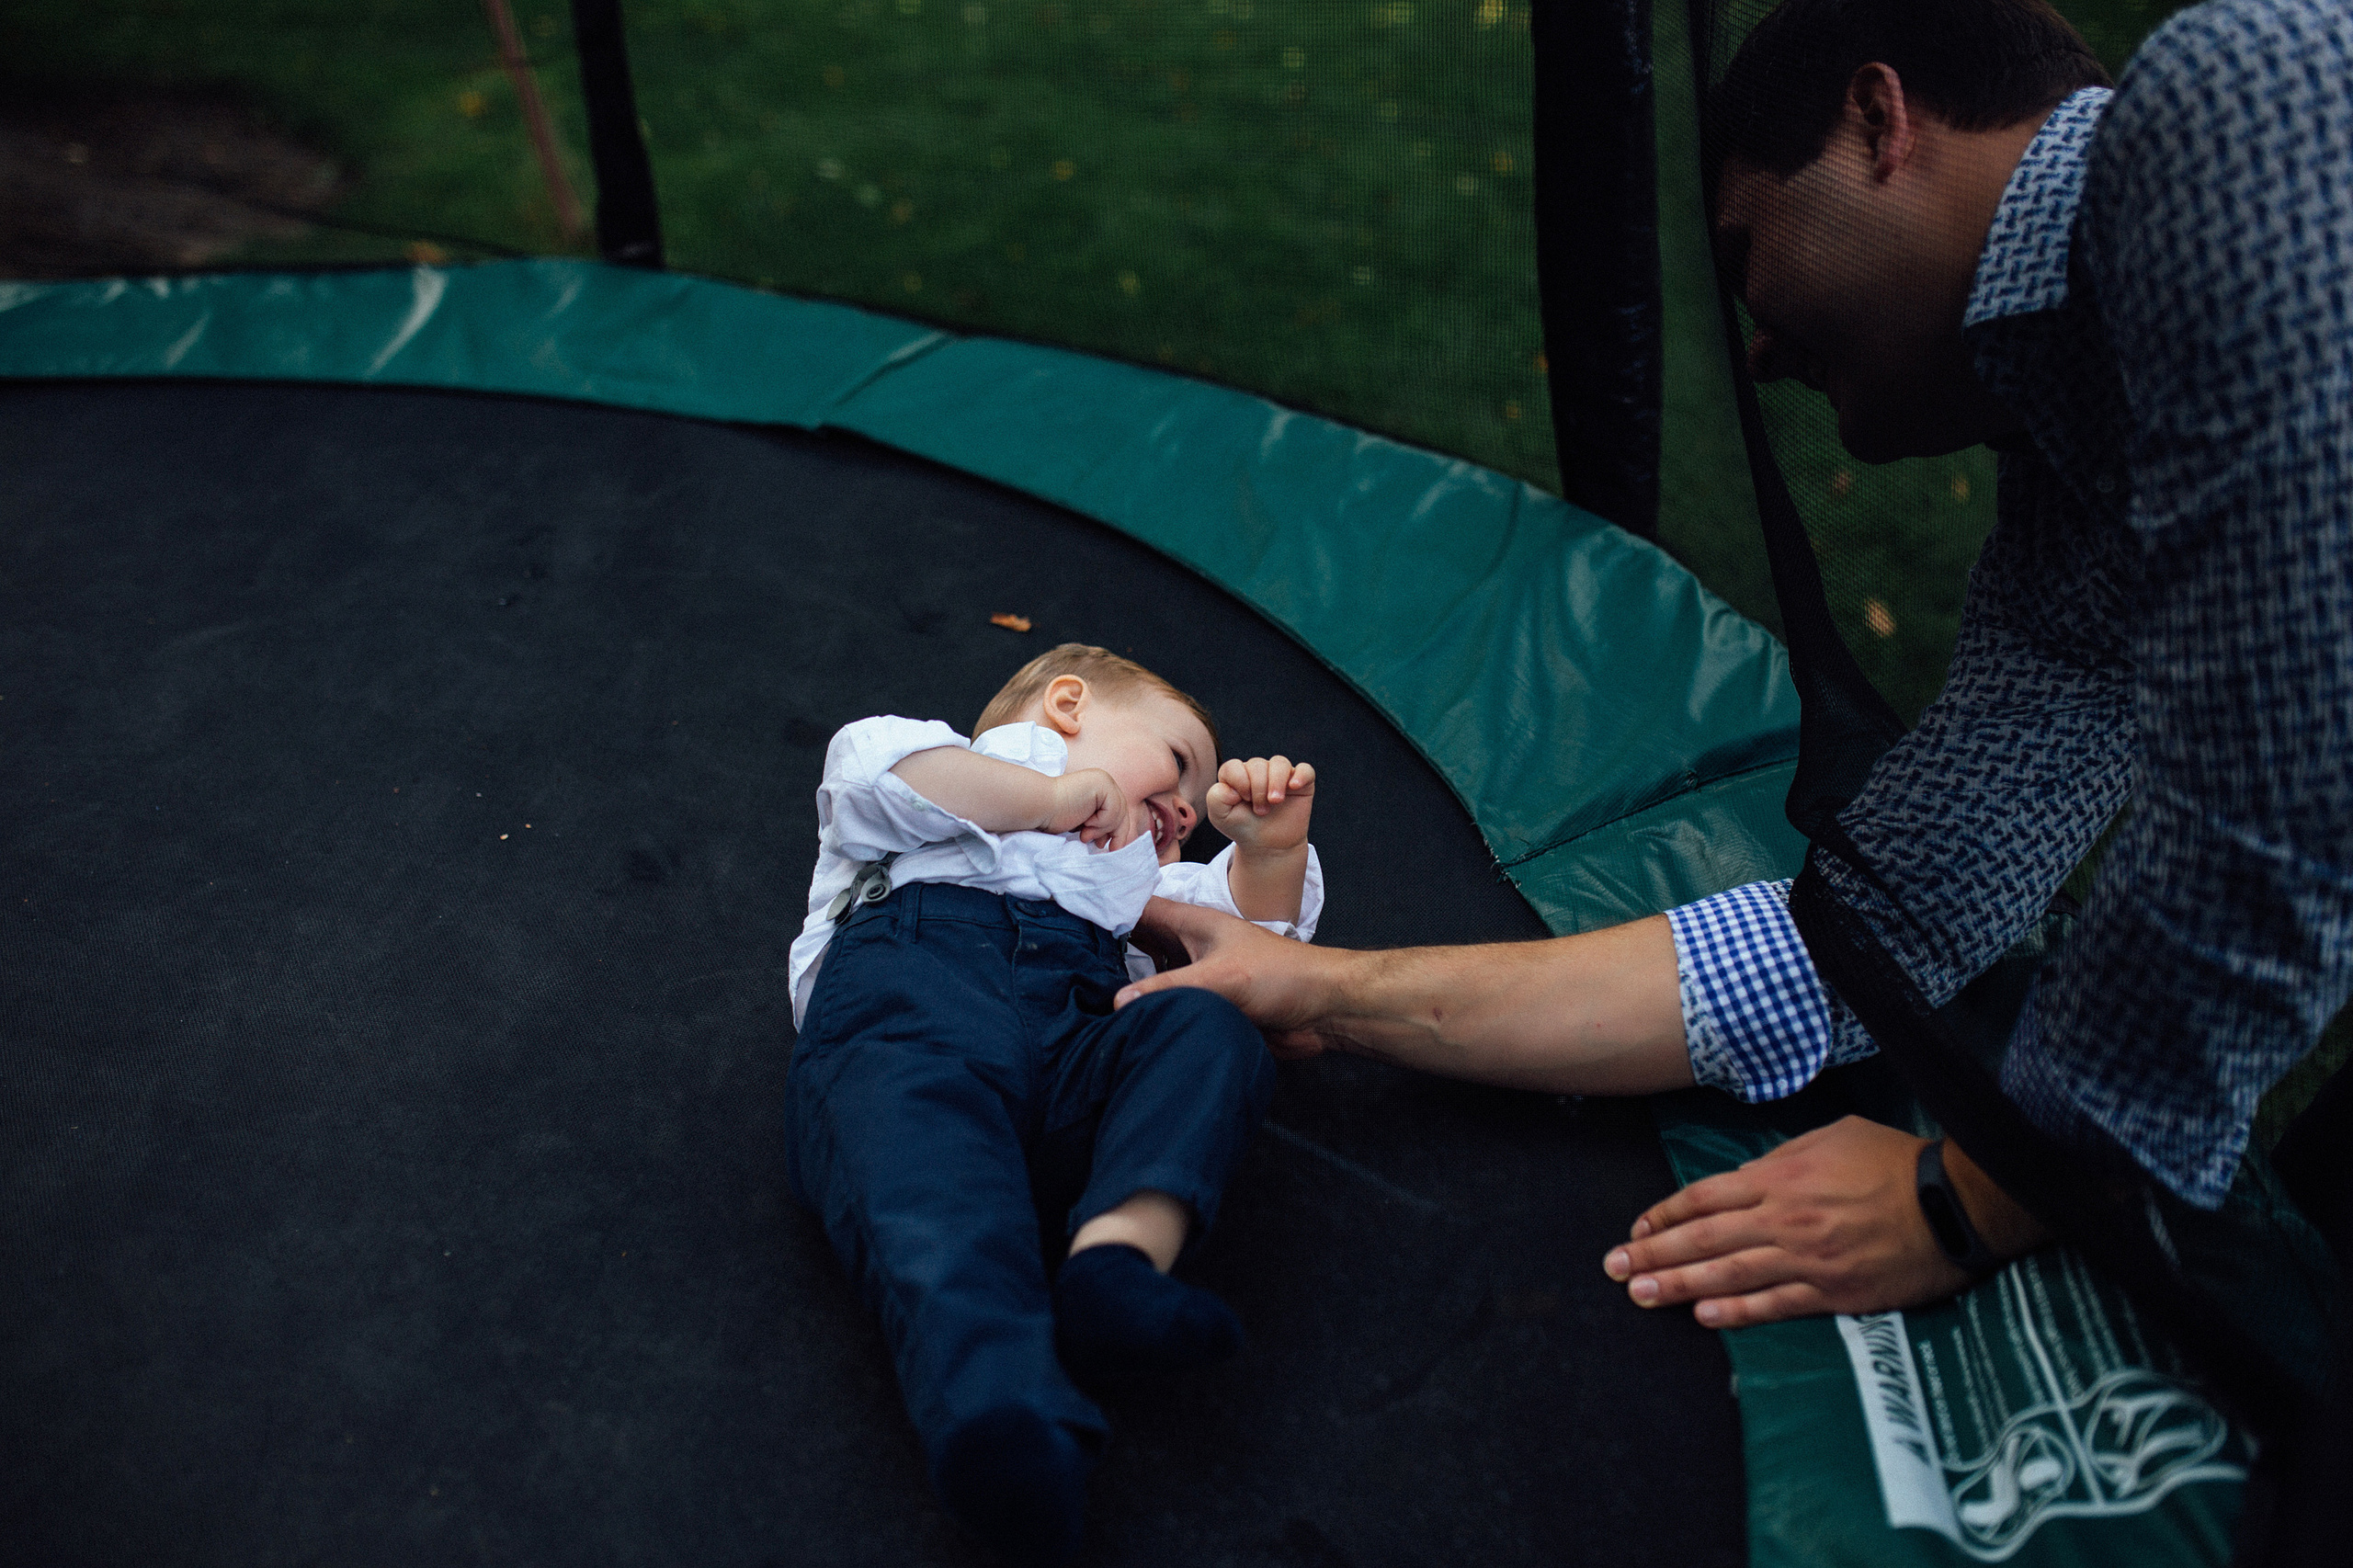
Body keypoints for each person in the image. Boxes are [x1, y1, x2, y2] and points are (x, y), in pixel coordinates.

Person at [1120, 0, 2351, 1333]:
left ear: (1881, 123)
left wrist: (1976, 1192)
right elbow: (1881, 930)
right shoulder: (2078, 495)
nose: (1755, 354)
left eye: (1744, 250)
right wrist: (1322, 986)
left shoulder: (2239, 106)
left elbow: (2289, 790)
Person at [785, 642, 1322, 1565]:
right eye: (1178, 762)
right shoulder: (945, 765)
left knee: (1205, 1024)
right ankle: (1005, 1414)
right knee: (936, 1212)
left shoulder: (1139, 878)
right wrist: (1049, 800)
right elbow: (883, 775)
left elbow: (1254, 950)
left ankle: (1118, 1264)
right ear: (1066, 706)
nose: (1187, 811)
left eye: (1195, 809)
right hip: (912, 1026)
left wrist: (1270, 847)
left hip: (1073, 1049)